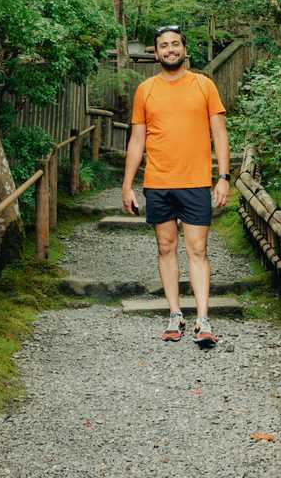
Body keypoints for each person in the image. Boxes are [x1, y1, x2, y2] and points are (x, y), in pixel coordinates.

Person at [121, 25, 230, 348]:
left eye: (175, 44)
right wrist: (128, 185)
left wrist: (223, 177)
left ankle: (203, 319)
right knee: (166, 247)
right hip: (158, 182)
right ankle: (174, 313)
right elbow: (137, 139)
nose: (170, 49)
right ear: (155, 53)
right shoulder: (146, 90)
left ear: (184, 49)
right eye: (163, 46)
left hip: (196, 181)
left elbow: (220, 134)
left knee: (198, 249)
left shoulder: (204, 86)